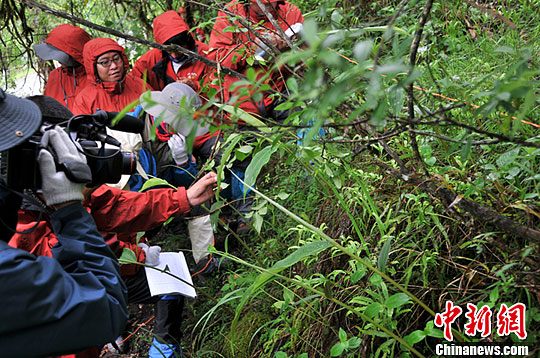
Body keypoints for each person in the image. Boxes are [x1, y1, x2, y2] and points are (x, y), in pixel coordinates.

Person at [0, 89, 128, 356]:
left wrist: (183, 198)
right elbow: (105, 306)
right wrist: (69, 209)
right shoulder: (10, 265)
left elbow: (118, 205)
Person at [73, 37, 151, 190]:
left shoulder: (139, 86)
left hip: (148, 158)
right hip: (111, 168)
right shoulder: (85, 99)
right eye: (105, 62)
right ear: (93, 67)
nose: (114, 66)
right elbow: (82, 143)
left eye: (117, 59)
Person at [208, 0, 304, 119]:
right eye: (260, 4)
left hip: (280, 88)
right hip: (244, 99)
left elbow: (304, 57)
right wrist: (251, 48)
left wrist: (286, 48)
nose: (265, 8)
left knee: (298, 121)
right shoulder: (231, 13)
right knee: (249, 135)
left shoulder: (290, 12)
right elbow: (216, 58)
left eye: (269, 4)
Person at [131, 10, 210, 92]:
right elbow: (132, 83)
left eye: (178, 49)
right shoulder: (151, 59)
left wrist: (195, 86)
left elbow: (217, 88)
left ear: (187, 40)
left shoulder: (206, 54)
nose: (174, 55)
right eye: (169, 50)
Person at [34, 24, 92, 111]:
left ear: (75, 55)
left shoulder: (97, 76)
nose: (57, 60)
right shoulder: (55, 76)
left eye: (60, 56)